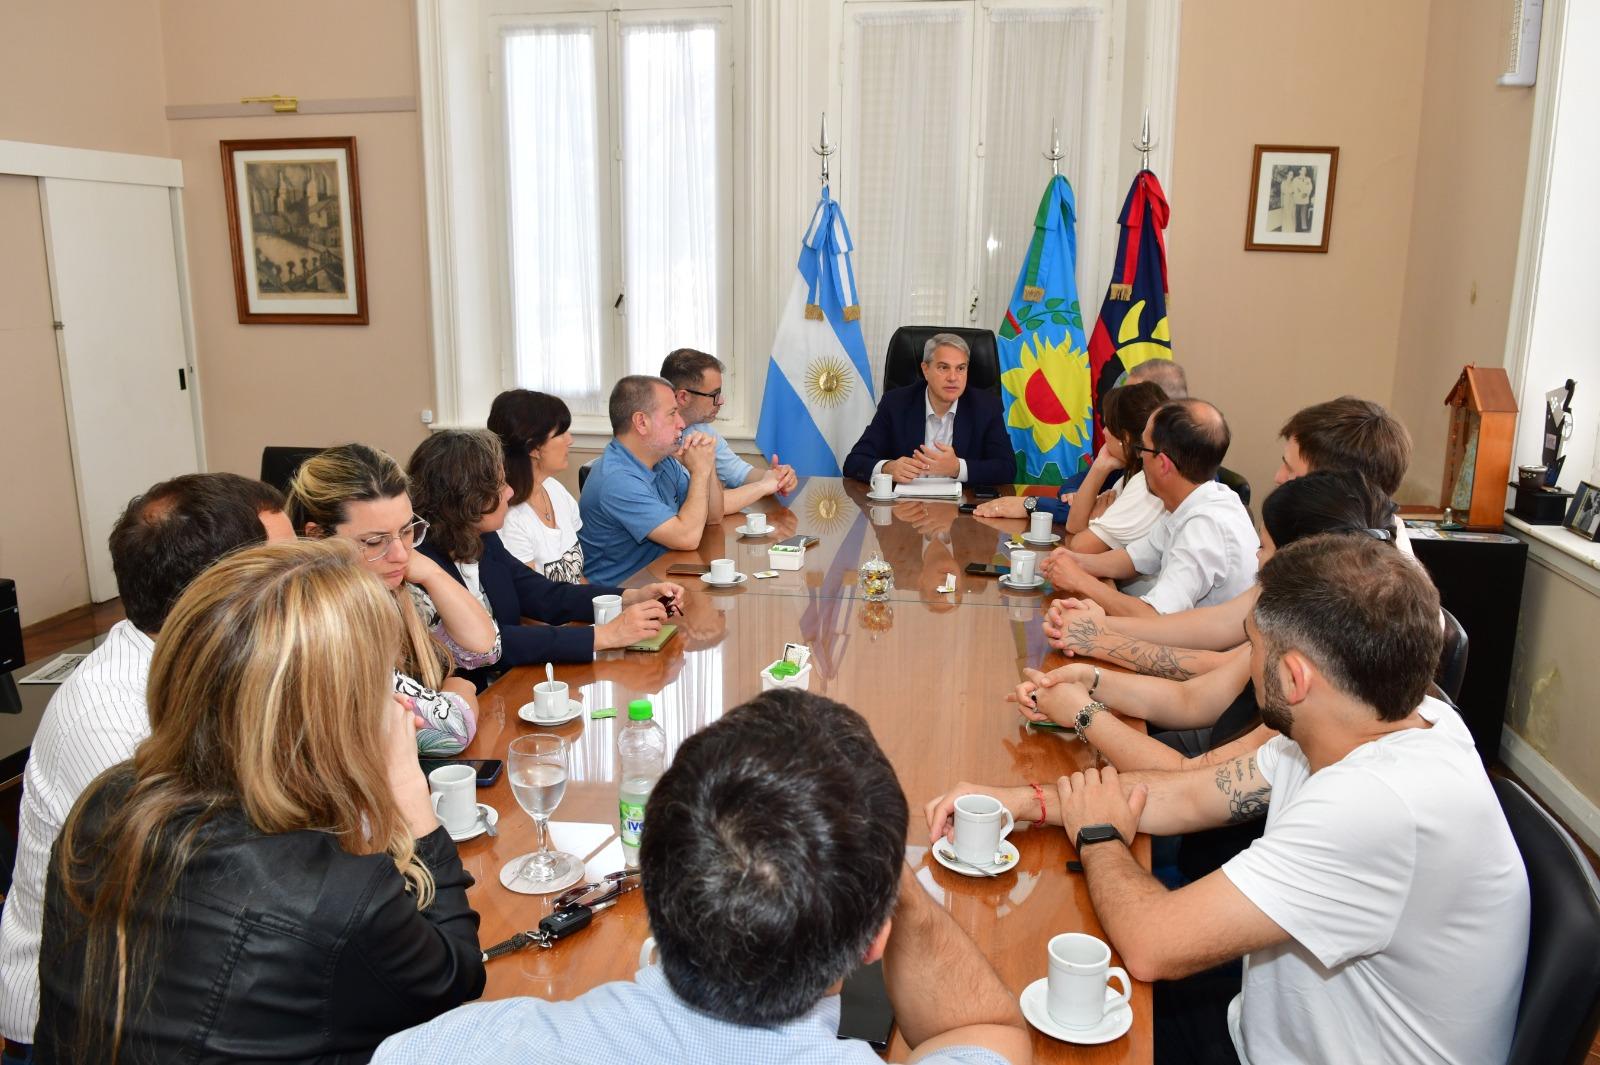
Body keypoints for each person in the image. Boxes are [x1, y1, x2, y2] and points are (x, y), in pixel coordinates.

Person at [929, 535, 1530, 1065]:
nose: (1248, 664)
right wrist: (1019, 803)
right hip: (1265, 1025)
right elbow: (1189, 795)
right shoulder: (1391, 720)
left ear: (1295, 678)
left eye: (1254, 647)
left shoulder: (1376, 805)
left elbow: (1151, 945)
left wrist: (1100, 835)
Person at [372, 690, 1030, 1065]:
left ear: (652, 885)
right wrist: (888, 879)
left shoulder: (449, 1048)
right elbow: (995, 1034)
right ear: (873, 942)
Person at [34, 540, 485, 1064]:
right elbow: (455, 978)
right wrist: (407, 786)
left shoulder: (108, 798)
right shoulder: (338, 895)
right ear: (339, 708)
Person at [0, 474, 292, 1065]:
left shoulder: (212, 661)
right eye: (283, 571)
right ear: (220, 594)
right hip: (87, 1028)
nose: (304, 586)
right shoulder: (117, 723)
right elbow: (206, 899)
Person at [1044, 395, 1418, 678]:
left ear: (1334, 487)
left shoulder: (1371, 589)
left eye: (1290, 467)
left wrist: (1100, 634)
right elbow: (1221, 626)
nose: (1278, 478)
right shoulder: (1336, 546)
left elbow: (1228, 676)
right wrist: (1099, 628)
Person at [407, 430, 682, 669]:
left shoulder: (483, 538)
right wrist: (604, 636)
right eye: (500, 484)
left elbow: (544, 594)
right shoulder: (421, 566)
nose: (510, 492)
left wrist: (630, 597)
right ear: (466, 497)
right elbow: (496, 643)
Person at [287, 444, 498, 754]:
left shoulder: (397, 590)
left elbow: (484, 649)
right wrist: (462, 684)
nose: (400, 554)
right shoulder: (322, 624)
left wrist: (432, 573)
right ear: (318, 538)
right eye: (374, 541)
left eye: (407, 531)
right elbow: (453, 731)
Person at [1044, 399, 1258, 616]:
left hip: (1194, 647)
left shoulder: (1203, 528)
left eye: (1142, 448)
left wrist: (1081, 581)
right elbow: (1134, 558)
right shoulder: (1192, 500)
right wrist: (1076, 561)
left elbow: (1155, 618)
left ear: (1163, 463)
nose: (1139, 456)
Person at [974, 381, 1168, 555]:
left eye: (1108, 426)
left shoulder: (1144, 484)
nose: (1103, 431)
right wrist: (1100, 466)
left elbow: (1079, 545)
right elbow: (1074, 525)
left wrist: (1091, 520)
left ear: (1125, 438)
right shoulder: (1125, 471)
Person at [579, 375, 723, 585]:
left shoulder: (662, 459)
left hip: (658, 580)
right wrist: (700, 472)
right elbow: (687, 538)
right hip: (621, 600)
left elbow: (713, 516)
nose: (682, 423)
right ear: (641, 422)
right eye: (672, 414)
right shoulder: (617, 480)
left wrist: (707, 464)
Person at [842, 333, 1015, 486]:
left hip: (961, 512)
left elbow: (1007, 469)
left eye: (961, 368)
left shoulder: (986, 407)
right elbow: (854, 462)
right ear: (925, 370)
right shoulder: (895, 404)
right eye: (943, 367)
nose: (953, 378)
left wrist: (957, 468)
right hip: (905, 511)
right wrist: (888, 468)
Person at [660, 348, 796, 506]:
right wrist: (764, 486)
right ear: (683, 397)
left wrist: (777, 477)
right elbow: (703, 506)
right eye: (714, 395)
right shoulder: (657, 440)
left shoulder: (701, 429)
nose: (721, 401)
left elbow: (739, 473)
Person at [487, 388, 586, 582]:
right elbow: (532, 600)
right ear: (533, 448)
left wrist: (610, 605)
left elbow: (577, 578)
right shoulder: (509, 518)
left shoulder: (555, 489)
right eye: (561, 433)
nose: (570, 440)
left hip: (577, 609)